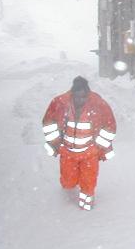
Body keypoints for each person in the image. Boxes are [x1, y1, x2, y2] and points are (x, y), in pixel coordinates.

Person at [41, 76, 116, 211]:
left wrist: (99, 147)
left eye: (83, 97)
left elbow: (109, 126)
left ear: (87, 94)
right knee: (67, 182)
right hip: (67, 152)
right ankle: (66, 207)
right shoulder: (60, 104)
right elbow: (48, 123)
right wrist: (55, 143)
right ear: (72, 94)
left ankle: (86, 210)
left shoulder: (99, 105)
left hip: (90, 153)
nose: (79, 100)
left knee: (88, 182)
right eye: (77, 97)